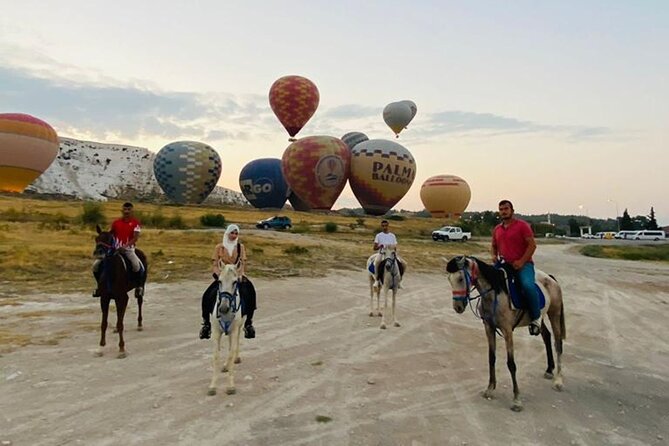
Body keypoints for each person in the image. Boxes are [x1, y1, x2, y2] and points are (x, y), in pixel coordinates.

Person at [491, 200, 541, 336]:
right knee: (487, 283)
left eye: (506, 208)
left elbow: (532, 246)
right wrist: (494, 256)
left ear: (512, 210)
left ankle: (536, 318)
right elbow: (494, 246)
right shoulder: (497, 229)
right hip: (504, 264)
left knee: (527, 285)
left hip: (523, 264)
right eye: (501, 209)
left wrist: (522, 261)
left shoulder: (523, 226)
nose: (503, 211)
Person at [199, 224, 257, 340]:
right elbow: (215, 264)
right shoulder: (219, 247)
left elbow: (242, 264)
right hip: (223, 277)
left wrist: (240, 275)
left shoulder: (240, 247)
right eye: (232, 233)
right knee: (207, 295)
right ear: (227, 233)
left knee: (250, 292)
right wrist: (218, 275)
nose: (234, 235)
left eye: (236, 233)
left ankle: (248, 324)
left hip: (236, 277)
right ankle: (206, 324)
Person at [93, 202, 144, 297]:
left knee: (137, 266)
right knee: (96, 265)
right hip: (114, 249)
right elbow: (111, 234)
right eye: (125, 209)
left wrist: (124, 247)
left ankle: (139, 287)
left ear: (132, 211)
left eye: (129, 210)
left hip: (128, 249)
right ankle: (99, 287)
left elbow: (135, 238)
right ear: (122, 211)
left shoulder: (136, 223)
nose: (126, 211)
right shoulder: (116, 223)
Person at [372, 220, 406, 289]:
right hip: (382, 253)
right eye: (383, 226)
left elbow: (395, 246)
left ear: (388, 226)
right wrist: (380, 246)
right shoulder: (378, 235)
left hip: (391, 253)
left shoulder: (392, 236)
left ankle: (399, 281)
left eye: (386, 226)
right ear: (381, 226)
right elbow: (374, 248)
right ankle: (377, 280)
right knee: (377, 262)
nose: (384, 227)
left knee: (404, 263)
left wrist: (393, 250)